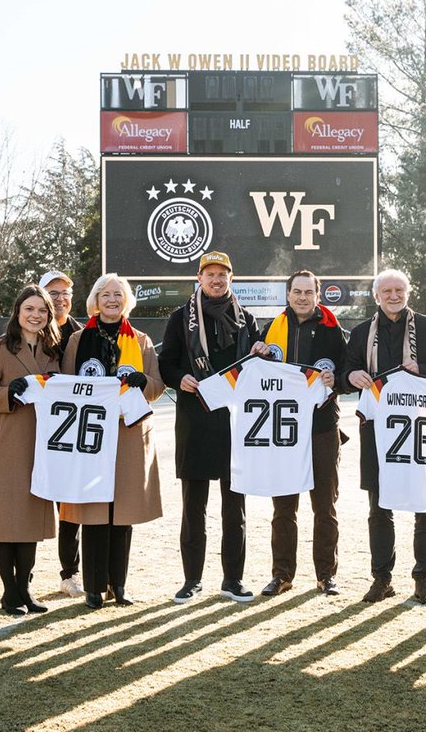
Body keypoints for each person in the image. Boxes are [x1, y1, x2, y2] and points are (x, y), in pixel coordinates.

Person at [339, 268, 426, 604]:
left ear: (408, 292)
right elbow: (345, 375)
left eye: (399, 290)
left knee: (425, 506)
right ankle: (382, 579)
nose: (393, 295)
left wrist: (425, 370)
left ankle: (423, 579)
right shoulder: (361, 333)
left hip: (421, 430)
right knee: (379, 508)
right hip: (377, 432)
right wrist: (353, 374)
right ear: (376, 296)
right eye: (386, 291)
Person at [159, 251, 264, 604]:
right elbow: (166, 364)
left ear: (231, 279)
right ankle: (192, 580)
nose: (216, 280)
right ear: (199, 278)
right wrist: (180, 378)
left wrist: (264, 352)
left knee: (236, 509)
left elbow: (259, 367)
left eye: (223, 274)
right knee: (194, 508)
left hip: (235, 425)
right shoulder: (181, 317)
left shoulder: (247, 319)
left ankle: (233, 579)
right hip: (195, 420)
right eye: (210, 274)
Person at [60, 274, 163, 609]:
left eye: (119, 295)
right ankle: (93, 586)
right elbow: (66, 383)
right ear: (95, 299)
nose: (112, 300)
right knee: (93, 511)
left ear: (126, 300)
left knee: (123, 513)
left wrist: (142, 380)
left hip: (128, 435)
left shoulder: (142, 340)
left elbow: (157, 386)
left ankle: (118, 584)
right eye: (106, 294)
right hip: (91, 434)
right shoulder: (78, 340)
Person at [0, 285, 60, 615]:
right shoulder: (0, 348)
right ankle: (9, 591)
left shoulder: (54, 351)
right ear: (18, 313)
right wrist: (9, 392)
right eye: (29, 309)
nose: (36, 315)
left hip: (42, 444)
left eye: (42, 310)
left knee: (30, 520)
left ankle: (25, 587)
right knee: (7, 520)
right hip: (7, 442)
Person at [257, 270, 346, 597]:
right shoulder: (272, 329)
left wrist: (336, 380)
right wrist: (257, 354)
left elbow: (347, 373)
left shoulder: (333, 331)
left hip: (322, 428)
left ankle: (326, 575)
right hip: (283, 430)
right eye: (297, 291)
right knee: (283, 508)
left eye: (309, 292)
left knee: (324, 507)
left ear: (317, 296)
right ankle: (282, 575)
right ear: (288, 294)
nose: (303, 297)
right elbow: (256, 374)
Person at [38, 269, 87, 599]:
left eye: (65, 293)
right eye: (52, 293)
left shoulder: (82, 335)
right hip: (35, 427)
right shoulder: (27, 330)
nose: (60, 299)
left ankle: (70, 573)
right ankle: (22, 571)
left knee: (70, 508)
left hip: (71, 432)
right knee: (30, 502)